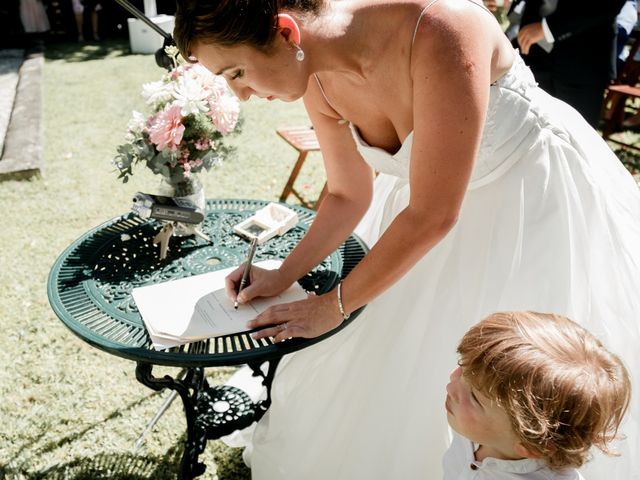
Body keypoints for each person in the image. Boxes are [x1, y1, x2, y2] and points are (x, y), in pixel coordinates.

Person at [173, 0, 640, 478]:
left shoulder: (442, 28)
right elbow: (345, 193)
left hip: (535, 200)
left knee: (520, 380)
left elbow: (434, 213)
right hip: (420, 219)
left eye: (236, 73)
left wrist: (332, 305)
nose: (242, 94)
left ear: (288, 34)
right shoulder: (315, 77)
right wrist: (284, 274)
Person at [445, 311, 631, 479]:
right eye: (462, 367)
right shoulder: (477, 428)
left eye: (475, 398)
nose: (451, 386)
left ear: (530, 447)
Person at [505, 0, 626, 127]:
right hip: (533, 52)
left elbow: (609, 4)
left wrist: (548, 28)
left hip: (583, 58)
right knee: (530, 130)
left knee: (576, 134)